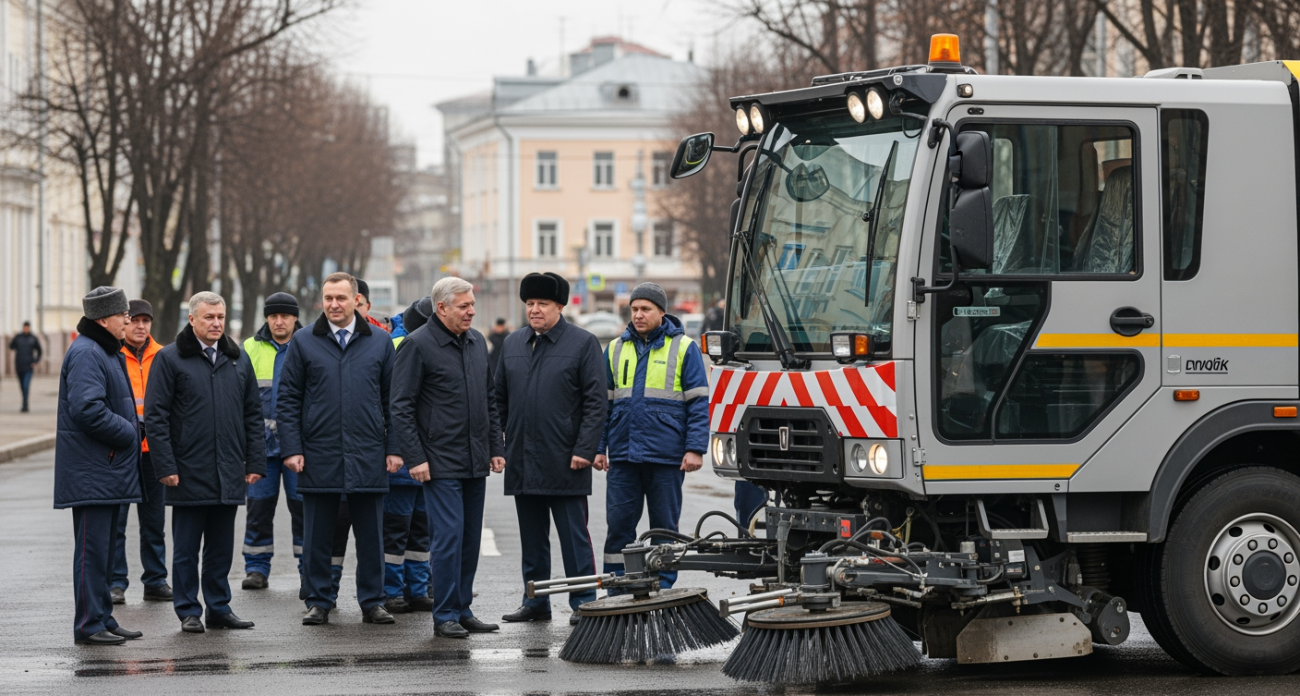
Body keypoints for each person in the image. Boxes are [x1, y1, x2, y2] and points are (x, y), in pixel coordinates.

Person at [277, 271, 402, 627]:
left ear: (356, 300)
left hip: (368, 454)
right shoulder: (304, 341)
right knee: (317, 534)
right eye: (328, 298)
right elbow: (288, 400)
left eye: (341, 298)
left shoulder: (379, 342)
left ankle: (373, 602)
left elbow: (393, 400)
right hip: (319, 454)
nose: (333, 304)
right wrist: (292, 448)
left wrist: (394, 448)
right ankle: (318, 600)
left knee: (371, 535)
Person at [392, 277, 505, 638]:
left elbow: (488, 399)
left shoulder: (475, 342)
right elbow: (401, 406)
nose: (472, 311)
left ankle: (463, 608)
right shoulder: (417, 345)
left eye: (472, 304)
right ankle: (444, 616)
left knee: (470, 537)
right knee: (449, 536)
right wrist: (415, 457)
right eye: (464, 305)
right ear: (442, 308)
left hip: (474, 458)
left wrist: (495, 448)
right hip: (438, 462)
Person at [145, 292, 263, 634]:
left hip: (229, 470)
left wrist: (254, 460)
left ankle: (218, 607)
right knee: (185, 549)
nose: (216, 323)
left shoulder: (237, 358)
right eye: (209, 317)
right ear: (192, 320)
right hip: (187, 472)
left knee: (220, 548)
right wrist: (165, 466)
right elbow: (156, 417)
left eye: (220, 317)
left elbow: (252, 414)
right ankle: (188, 610)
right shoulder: (169, 359)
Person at [496, 272, 607, 626]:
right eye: (530, 304)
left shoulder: (582, 343)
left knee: (574, 537)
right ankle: (536, 601)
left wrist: (585, 448)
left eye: (542, 303)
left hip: (566, 459)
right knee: (532, 539)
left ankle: (584, 600)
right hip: (522, 459)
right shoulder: (512, 344)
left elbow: (595, 402)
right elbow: (497, 398)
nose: (535, 310)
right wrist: (501, 442)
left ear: (561, 306)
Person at [594, 283, 709, 589]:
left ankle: (663, 587)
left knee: (664, 529)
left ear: (661, 312)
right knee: (618, 527)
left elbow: (698, 402)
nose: (638, 315)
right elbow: (604, 404)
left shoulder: (684, 347)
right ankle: (618, 586)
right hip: (623, 455)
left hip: (666, 456)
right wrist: (599, 447)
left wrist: (695, 448)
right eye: (634, 309)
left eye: (645, 309)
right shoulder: (616, 348)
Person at [54, 286, 144, 645]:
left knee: (105, 552)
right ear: (104, 319)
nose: (128, 319)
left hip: (107, 469)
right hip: (94, 471)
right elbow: (87, 409)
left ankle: (104, 617)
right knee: (92, 554)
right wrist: (130, 432)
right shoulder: (89, 352)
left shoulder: (104, 349)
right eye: (123, 314)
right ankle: (89, 624)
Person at [240, 292, 304, 591]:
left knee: (304, 509)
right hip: (260, 447)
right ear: (266, 318)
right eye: (273, 316)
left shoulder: (308, 345)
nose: (279, 321)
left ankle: (309, 567)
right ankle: (256, 567)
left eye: (285, 316)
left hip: (298, 447)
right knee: (258, 509)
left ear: (295, 317)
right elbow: (239, 398)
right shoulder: (249, 348)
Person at [110, 300, 171, 605]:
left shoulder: (163, 356)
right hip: (122, 451)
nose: (141, 326)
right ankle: (116, 582)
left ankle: (156, 580)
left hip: (153, 452)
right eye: (134, 320)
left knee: (154, 522)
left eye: (146, 320)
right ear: (125, 322)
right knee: (116, 522)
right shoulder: (111, 354)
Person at [383, 295, 436, 615]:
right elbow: (395, 408)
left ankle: (412, 590)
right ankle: (395, 591)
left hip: (419, 458)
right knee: (400, 530)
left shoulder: (403, 341)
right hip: (404, 458)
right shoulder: (404, 345)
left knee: (414, 531)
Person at [9, 320, 42, 412]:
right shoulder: (18, 338)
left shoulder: (33, 339)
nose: (26, 329)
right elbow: (11, 346)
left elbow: (39, 351)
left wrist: (35, 361)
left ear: (29, 328)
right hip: (19, 366)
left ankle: (25, 404)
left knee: (26, 385)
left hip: (28, 367)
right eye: (25, 328)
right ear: (23, 328)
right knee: (22, 386)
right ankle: (24, 401)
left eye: (27, 328)